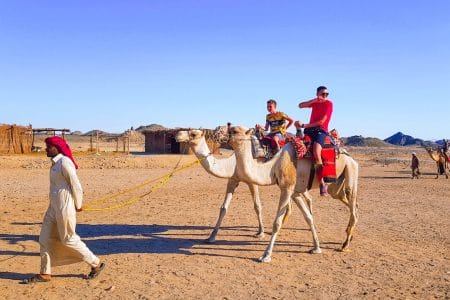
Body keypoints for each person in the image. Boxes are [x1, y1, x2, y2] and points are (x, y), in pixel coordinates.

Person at [23, 136, 105, 284]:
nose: (46, 149)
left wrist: (78, 204)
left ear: (57, 148)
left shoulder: (65, 163)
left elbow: (76, 185)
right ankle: (45, 273)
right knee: (44, 239)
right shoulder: (55, 164)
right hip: (53, 208)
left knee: (69, 239)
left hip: (64, 208)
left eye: (49, 146)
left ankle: (96, 264)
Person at [295, 86, 333, 196]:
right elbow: (300, 105)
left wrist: (303, 125)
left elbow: (322, 122)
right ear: (317, 94)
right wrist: (314, 100)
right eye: (322, 94)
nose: (324, 96)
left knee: (316, 151)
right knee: (297, 146)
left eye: (326, 94)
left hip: (321, 131)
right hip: (309, 130)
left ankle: (322, 182)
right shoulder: (315, 102)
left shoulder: (329, 104)